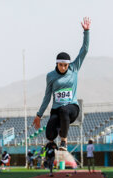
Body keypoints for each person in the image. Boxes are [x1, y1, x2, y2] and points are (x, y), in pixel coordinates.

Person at [32, 17, 91, 151]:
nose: (64, 68)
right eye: (61, 65)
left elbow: (85, 50)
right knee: (49, 134)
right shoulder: (51, 76)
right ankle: (52, 143)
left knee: (64, 110)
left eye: (65, 65)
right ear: (57, 63)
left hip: (71, 108)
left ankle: (64, 141)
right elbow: (47, 96)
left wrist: (86, 31)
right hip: (56, 110)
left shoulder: (74, 68)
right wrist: (39, 114)